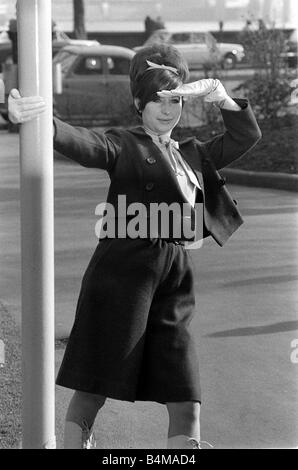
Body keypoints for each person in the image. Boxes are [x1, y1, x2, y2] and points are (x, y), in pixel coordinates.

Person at [8, 43, 261, 449]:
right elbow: (86, 143)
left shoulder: (194, 154)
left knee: (185, 391)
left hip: (175, 278)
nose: (167, 109)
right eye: (157, 100)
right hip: (122, 274)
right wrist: (38, 122)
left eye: (176, 99)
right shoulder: (125, 144)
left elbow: (246, 135)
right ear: (138, 103)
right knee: (95, 384)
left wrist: (224, 99)